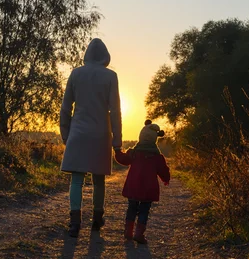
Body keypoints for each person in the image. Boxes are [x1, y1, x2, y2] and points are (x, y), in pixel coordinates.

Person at [60, 38, 122, 237]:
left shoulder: (76, 73)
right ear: (106, 56)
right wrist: (117, 139)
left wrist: (65, 134)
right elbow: (115, 111)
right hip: (100, 134)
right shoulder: (111, 76)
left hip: (77, 133)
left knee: (76, 180)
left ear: (86, 55)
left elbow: (65, 107)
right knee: (99, 180)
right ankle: (97, 219)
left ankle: (74, 222)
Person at [114, 119, 170, 244]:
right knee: (144, 210)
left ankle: (128, 232)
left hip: (133, 186)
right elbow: (163, 170)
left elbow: (123, 159)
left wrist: (117, 151)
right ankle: (139, 234)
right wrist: (166, 179)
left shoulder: (134, 153)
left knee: (131, 208)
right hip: (148, 189)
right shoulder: (157, 157)